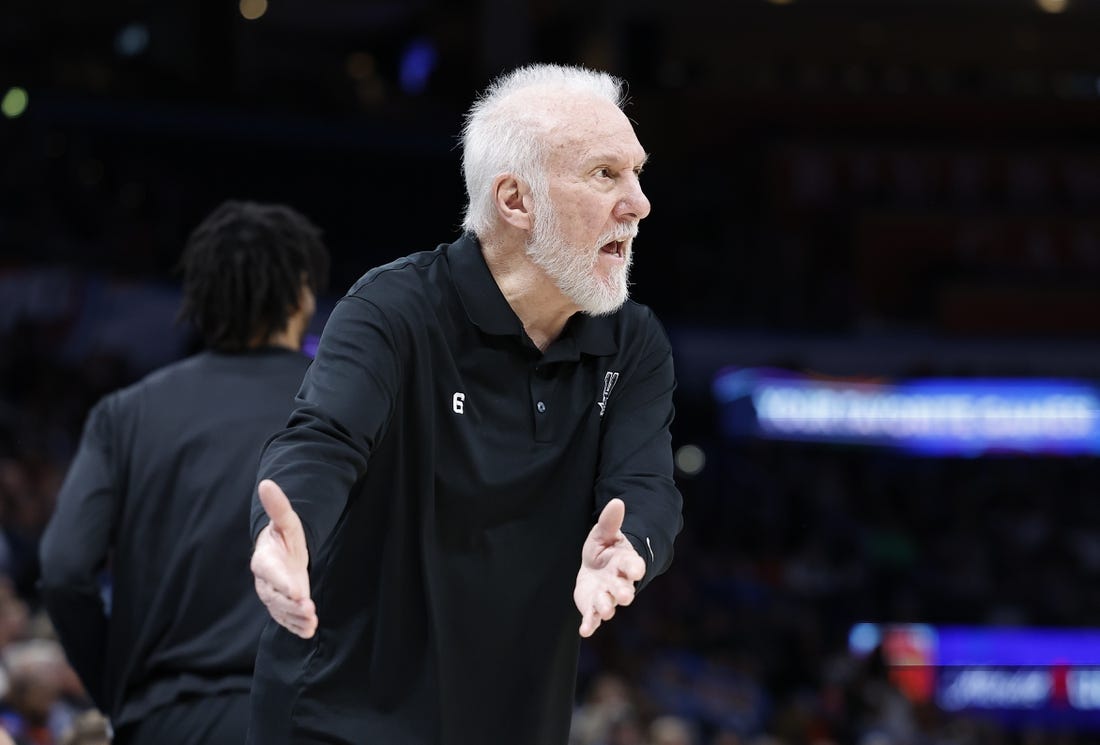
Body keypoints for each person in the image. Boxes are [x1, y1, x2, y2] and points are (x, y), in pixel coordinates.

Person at [248, 63, 683, 745]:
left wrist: (632, 544)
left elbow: (646, 482)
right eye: (605, 174)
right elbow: (324, 440)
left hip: (514, 719)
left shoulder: (633, 342)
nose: (639, 202)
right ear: (516, 201)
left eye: (637, 173)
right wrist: (285, 527)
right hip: (342, 717)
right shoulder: (394, 309)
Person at [38, 200, 330, 745]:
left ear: (197, 302)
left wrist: (119, 691)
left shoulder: (125, 414)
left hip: (166, 718)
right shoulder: (348, 406)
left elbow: (62, 569)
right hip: (311, 717)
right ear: (303, 296)